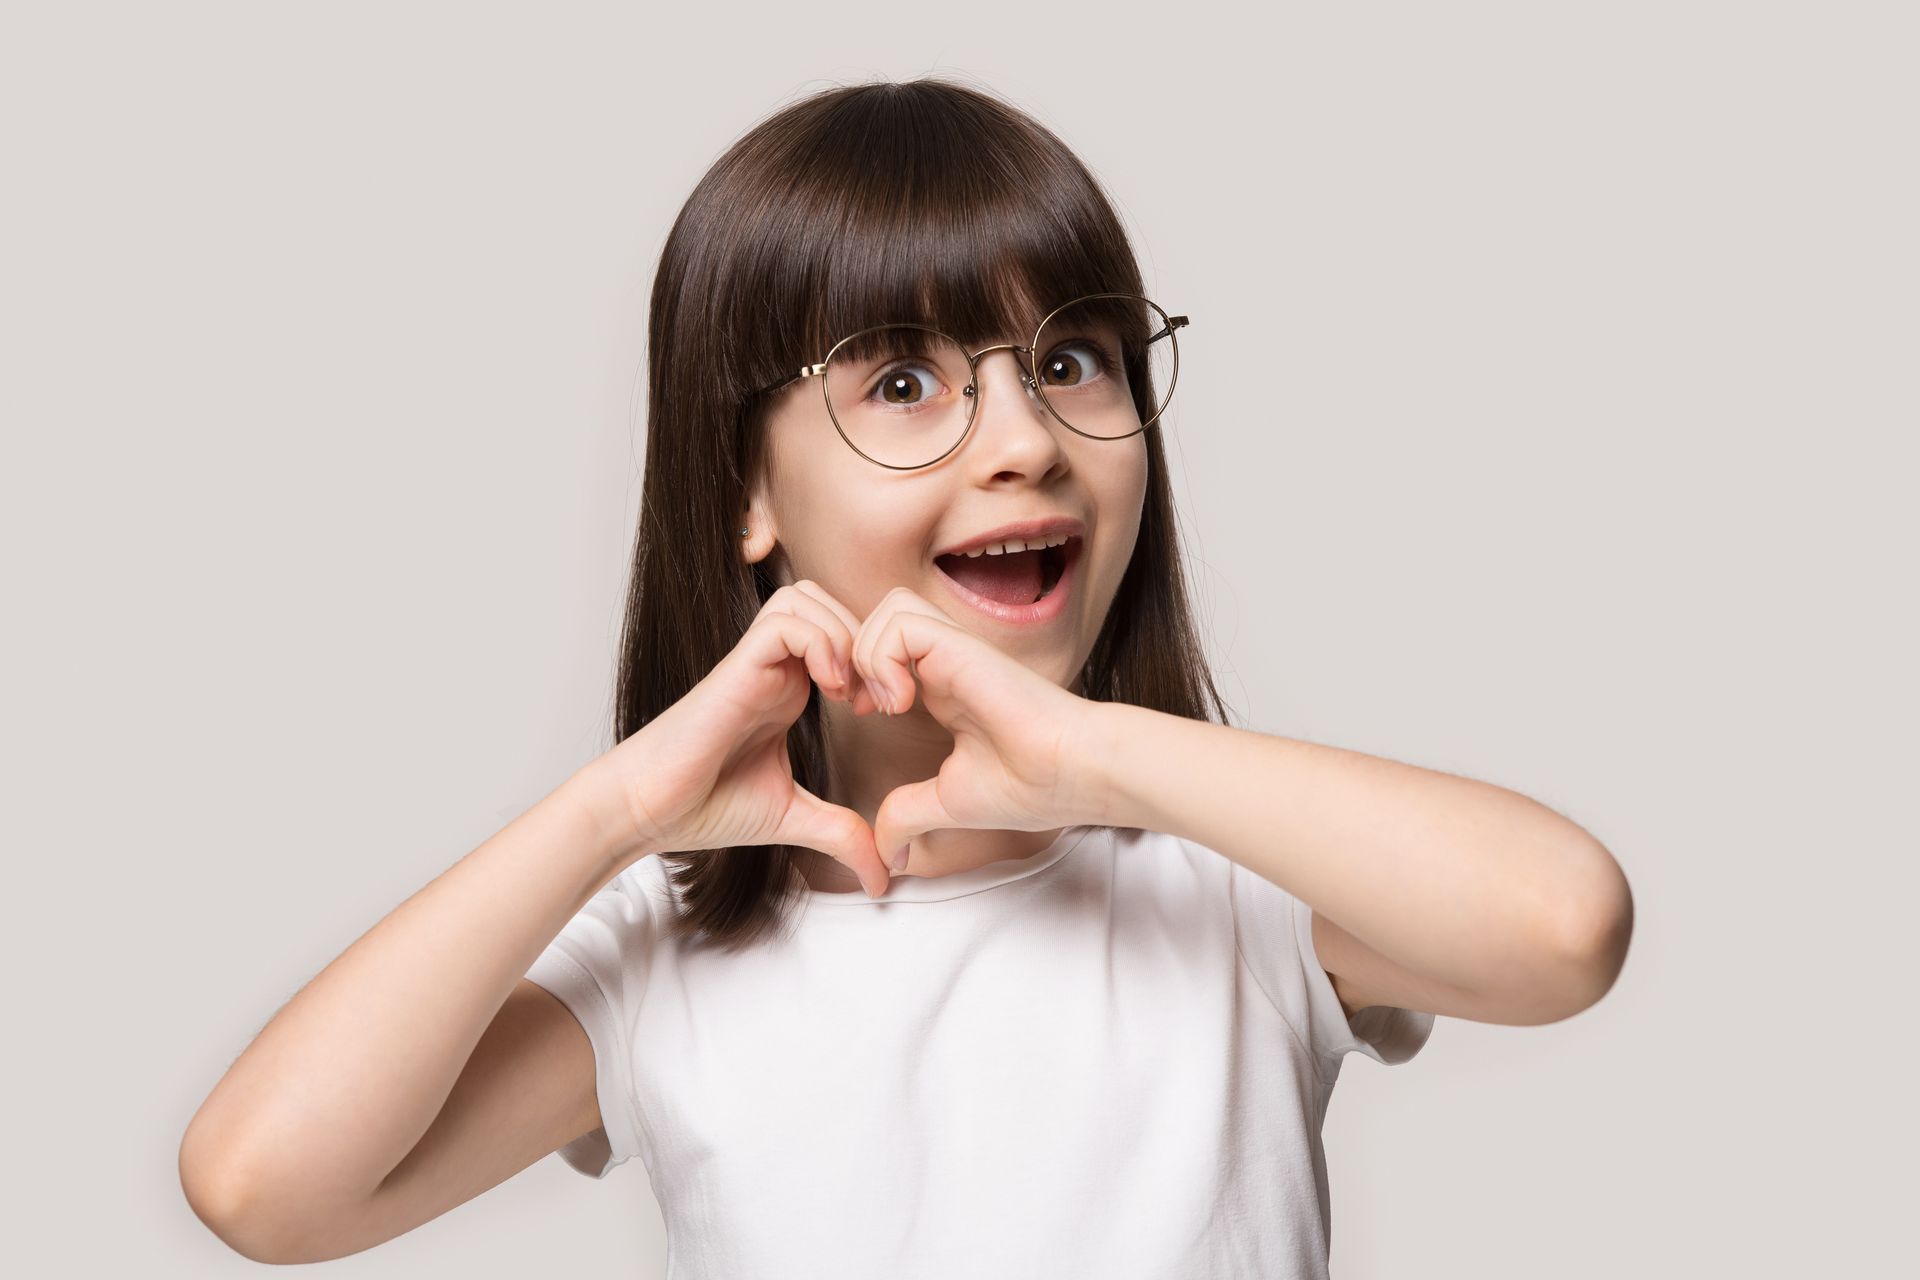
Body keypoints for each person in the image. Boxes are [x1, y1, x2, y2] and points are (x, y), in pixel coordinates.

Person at [178, 75, 1632, 1276]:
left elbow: (1564, 927)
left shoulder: (1231, 886)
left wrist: (1104, 757)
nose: (1026, 439)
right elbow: (262, 1185)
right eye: (900, 380)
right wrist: (614, 810)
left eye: (1075, 360)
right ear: (742, 489)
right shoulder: (663, 961)